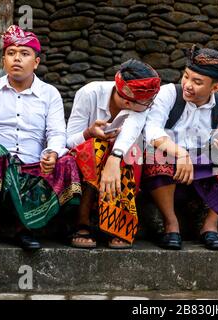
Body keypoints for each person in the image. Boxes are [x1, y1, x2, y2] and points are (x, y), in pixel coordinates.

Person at [0, 25, 81, 251]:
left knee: (67, 161)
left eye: (24, 54)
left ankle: (25, 227)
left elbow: (57, 133)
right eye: (11, 54)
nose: (17, 59)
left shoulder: (49, 94)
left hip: (32, 166)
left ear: (36, 62)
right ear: (4, 61)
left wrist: (51, 153)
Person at [142, 45, 218, 251]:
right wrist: (181, 154)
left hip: (199, 170)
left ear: (215, 87)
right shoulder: (168, 94)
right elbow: (151, 131)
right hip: (167, 172)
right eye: (186, 76)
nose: (188, 85)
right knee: (153, 154)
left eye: (197, 82)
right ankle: (171, 224)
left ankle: (210, 225)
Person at [66, 59, 160, 249]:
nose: (150, 106)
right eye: (148, 104)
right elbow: (68, 141)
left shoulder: (140, 103)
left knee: (130, 152)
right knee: (97, 146)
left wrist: (114, 159)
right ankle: (82, 220)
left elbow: (129, 135)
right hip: (86, 159)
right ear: (127, 102)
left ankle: (118, 224)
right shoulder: (89, 93)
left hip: (123, 159)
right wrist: (89, 133)